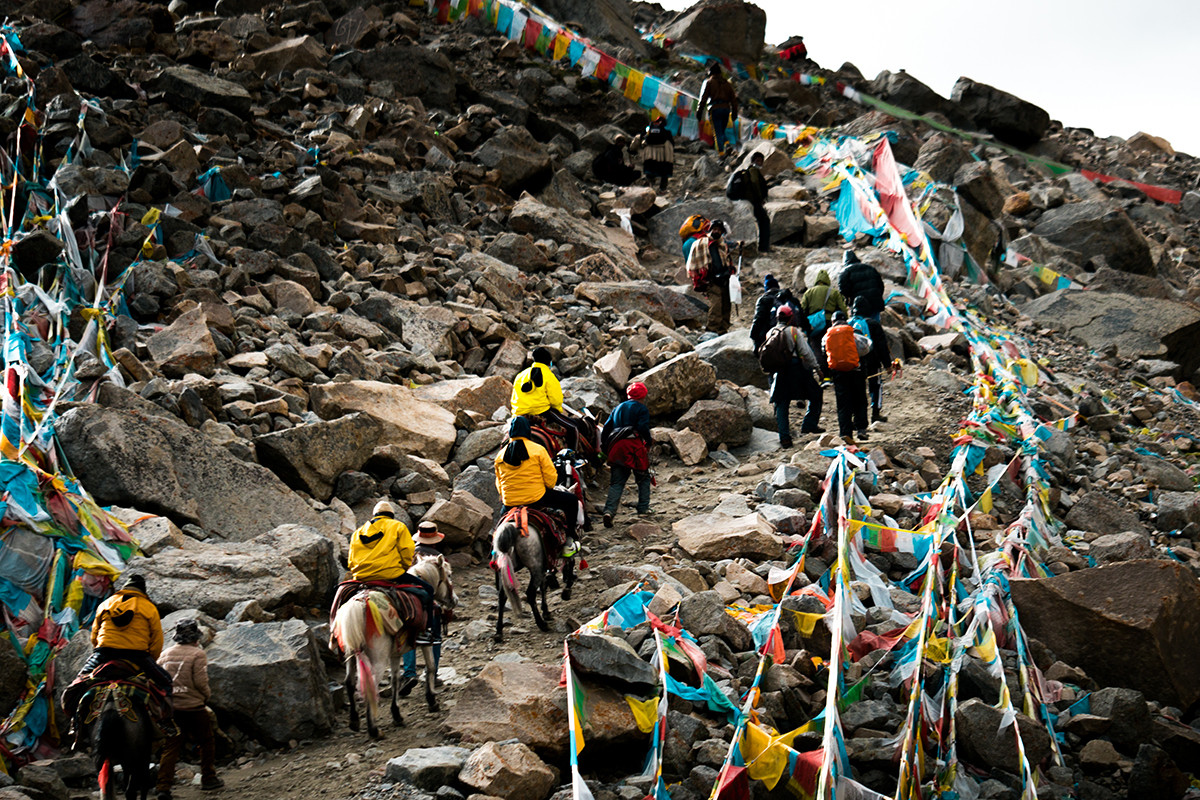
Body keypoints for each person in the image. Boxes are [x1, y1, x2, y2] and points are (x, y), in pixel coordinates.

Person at [347, 500, 435, 643]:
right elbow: (407, 551)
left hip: (361, 577)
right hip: (390, 574)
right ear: (391, 515)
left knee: (341, 593)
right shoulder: (398, 526)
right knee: (428, 591)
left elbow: (351, 560)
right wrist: (404, 567)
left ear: (374, 515)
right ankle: (426, 632)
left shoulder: (358, 532)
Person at [156, 620, 223, 798]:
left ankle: (163, 787)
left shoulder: (164, 654)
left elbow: (158, 681)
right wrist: (206, 696)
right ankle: (208, 778)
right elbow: (201, 682)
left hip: (172, 709)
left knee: (171, 746)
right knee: (206, 741)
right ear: (196, 638)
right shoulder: (197, 654)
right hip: (193, 707)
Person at [495, 416, 580, 548]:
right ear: (527, 430)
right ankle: (569, 539)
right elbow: (551, 479)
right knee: (572, 501)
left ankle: (494, 552)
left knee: (500, 523)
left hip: (510, 502)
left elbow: (499, 484)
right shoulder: (538, 450)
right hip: (537, 498)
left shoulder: (500, 455)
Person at [398, 522, 449, 696]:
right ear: (435, 541)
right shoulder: (440, 559)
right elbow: (445, 587)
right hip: (430, 604)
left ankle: (409, 673)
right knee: (435, 636)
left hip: (408, 601)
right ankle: (432, 674)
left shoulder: (409, 555)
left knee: (409, 634)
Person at [765, 305, 822, 448]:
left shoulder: (770, 332)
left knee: (781, 403)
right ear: (791, 318)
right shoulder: (794, 331)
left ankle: (784, 437)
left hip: (779, 371)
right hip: (796, 369)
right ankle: (809, 424)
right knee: (816, 394)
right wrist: (817, 368)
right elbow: (806, 352)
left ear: (777, 317)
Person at [601, 382, 652, 526]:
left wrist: (605, 447)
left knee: (617, 482)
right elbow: (642, 427)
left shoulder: (618, 408)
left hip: (617, 447)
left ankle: (609, 511)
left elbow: (606, 428)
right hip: (634, 447)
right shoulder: (641, 408)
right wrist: (648, 441)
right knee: (643, 477)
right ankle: (643, 508)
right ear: (643, 395)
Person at [823, 311, 870, 444]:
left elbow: (824, 352)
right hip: (856, 371)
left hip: (838, 373)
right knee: (860, 400)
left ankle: (845, 433)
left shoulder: (827, 335)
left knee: (843, 404)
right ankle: (861, 429)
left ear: (833, 322)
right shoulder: (852, 332)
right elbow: (865, 348)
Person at [687, 220, 736, 333]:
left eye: (719, 230)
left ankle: (723, 329)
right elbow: (696, 263)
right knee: (716, 306)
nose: (716, 231)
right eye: (714, 229)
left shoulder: (722, 244)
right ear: (710, 229)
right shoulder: (702, 244)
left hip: (724, 279)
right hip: (711, 280)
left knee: (726, 305)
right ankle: (712, 330)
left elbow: (727, 259)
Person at [850, 297, 894, 423]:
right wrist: (887, 365)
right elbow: (882, 346)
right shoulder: (873, 324)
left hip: (854, 362)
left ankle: (855, 416)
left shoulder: (848, 323)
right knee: (876, 386)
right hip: (872, 361)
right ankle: (875, 413)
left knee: (856, 388)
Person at [697, 63, 739, 156]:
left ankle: (721, 154)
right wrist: (734, 113)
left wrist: (699, 111)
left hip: (715, 109)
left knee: (717, 133)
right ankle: (727, 144)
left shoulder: (709, 82)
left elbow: (703, 98)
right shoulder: (727, 84)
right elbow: (733, 99)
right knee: (721, 131)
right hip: (726, 110)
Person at [750, 274, 799, 352]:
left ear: (766, 288)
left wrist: (753, 335)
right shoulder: (788, 298)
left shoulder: (763, 300)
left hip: (768, 337)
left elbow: (758, 319)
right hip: (789, 334)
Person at [837, 250, 885, 321]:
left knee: (861, 325)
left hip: (859, 304)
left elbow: (843, 290)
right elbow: (880, 285)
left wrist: (848, 301)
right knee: (875, 324)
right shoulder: (870, 268)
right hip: (875, 301)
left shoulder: (845, 271)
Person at [633, 117, 675, 191]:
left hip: (650, 155)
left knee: (650, 172)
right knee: (664, 173)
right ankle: (662, 189)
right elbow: (672, 143)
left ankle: (649, 187)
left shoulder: (648, 129)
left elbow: (641, 137)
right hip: (664, 156)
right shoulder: (667, 132)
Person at [744, 152, 772, 252]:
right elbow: (755, 183)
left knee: (762, 221)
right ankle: (764, 247)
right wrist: (760, 198)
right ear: (753, 161)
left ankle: (763, 246)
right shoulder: (753, 171)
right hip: (754, 202)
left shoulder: (752, 170)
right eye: (758, 160)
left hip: (753, 201)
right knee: (764, 222)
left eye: (761, 161)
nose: (760, 163)